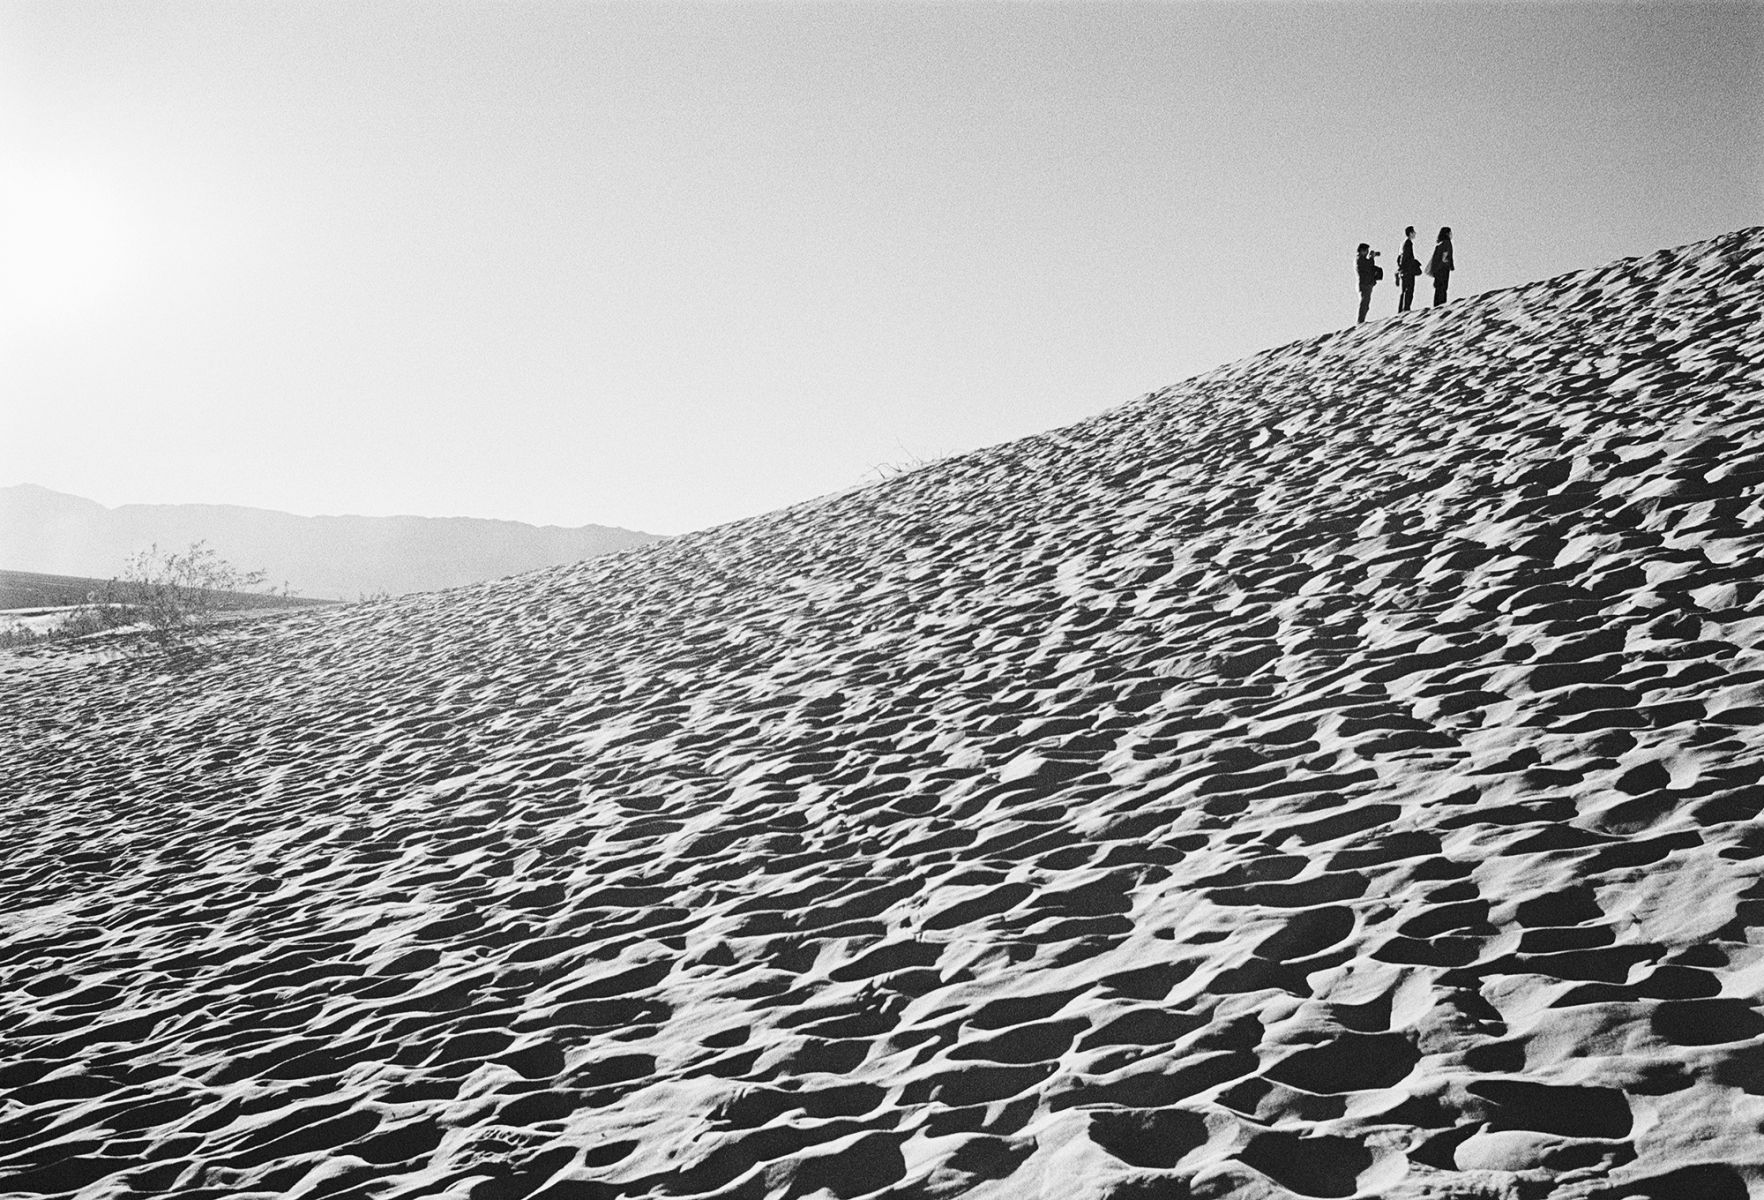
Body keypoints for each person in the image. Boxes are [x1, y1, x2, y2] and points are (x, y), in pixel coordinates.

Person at [1396, 226, 1422, 313]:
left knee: (1404, 290)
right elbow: (1406, 257)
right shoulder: (1408, 243)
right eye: (1413, 232)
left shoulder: (1403, 243)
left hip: (1404, 270)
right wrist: (1411, 265)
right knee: (1409, 290)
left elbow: (1400, 258)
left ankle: (1401, 309)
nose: (1415, 233)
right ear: (1410, 233)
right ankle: (1405, 308)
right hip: (1408, 271)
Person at [1426, 226, 1454, 306]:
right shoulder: (1447, 242)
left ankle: (1436, 305)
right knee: (1443, 288)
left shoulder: (1440, 244)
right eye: (1449, 233)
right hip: (1443, 268)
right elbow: (1445, 254)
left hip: (1437, 270)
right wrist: (1448, 263)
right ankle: (1441, 305)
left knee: (1438, 289)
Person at [1356, 243, 1382, 323]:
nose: (1367, 252)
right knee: (1364, 304)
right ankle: (1360, 321)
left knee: (1366, 305)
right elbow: (1369, 266)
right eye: (1366, 251)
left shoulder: (1362, 259)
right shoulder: (1359, 259)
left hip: (1367, 284)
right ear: (1361, 251)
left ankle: (1361, 321)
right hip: (1365, 284)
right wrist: (1371, 258)